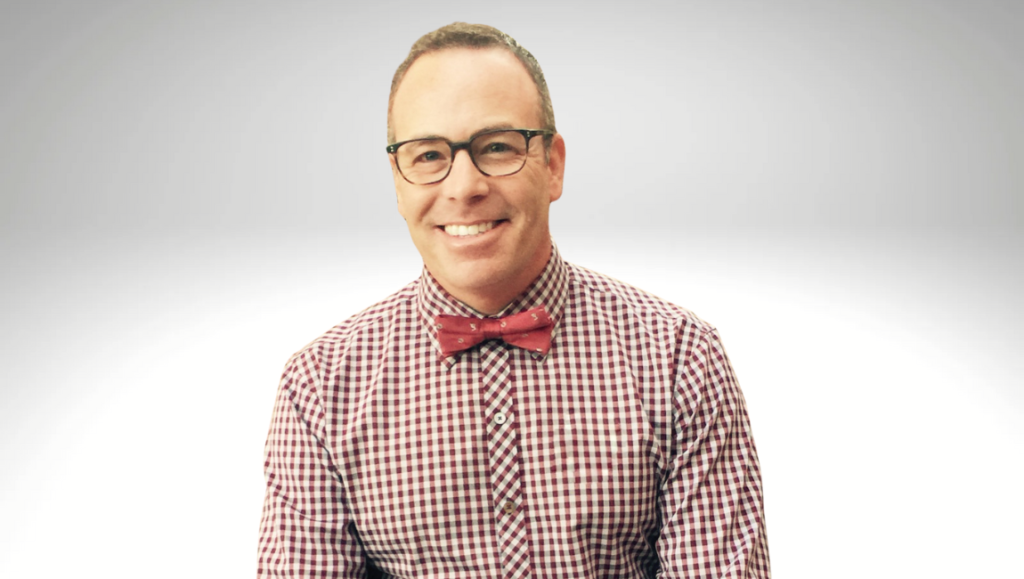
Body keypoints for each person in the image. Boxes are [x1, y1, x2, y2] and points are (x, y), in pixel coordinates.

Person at [257, 22, 770, 578]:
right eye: (428, 155)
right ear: (398, 182)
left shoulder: (679, 358)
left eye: (496, 147)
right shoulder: (319, 387)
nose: (464, 186)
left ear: (552, 165)